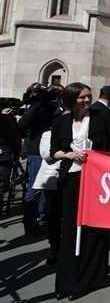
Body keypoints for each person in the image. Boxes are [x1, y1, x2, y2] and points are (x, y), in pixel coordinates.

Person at [50, 82, 110, 300]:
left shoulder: (102, 116)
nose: (87, 100)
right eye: (82, 97)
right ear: (72, 99)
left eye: (89, 96)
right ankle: (68, 281)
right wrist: (69, 155)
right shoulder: (61, 121)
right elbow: (54, 151)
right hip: (71, 178)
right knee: (71, 229)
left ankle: (93, 278)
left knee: (95, 228)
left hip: (96, 179)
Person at [19, 83, 62, 235]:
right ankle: (30, 221)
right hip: (37, 151)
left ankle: (42, 218)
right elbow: (22, 124)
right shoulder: (38, 107)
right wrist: (39, 103)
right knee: (36, 186)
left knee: (48, 186)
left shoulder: (55, 108)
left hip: (52, 151)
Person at [33, 130, 62, 265]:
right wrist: (67, 154)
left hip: (71, 178)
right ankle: (54, 248)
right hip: (52, 180)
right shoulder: (48, 134)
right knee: (53, 216)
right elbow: (46, 154)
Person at [0, 108, 22, 213]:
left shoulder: (10, 124)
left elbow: (17, 139)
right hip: (6, 155)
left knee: (2, 183)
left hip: (5, 155)